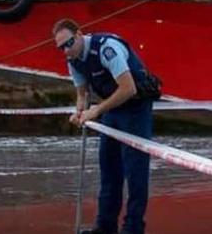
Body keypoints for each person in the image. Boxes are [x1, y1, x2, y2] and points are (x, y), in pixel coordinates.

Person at [53, 19, 157, 234]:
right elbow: (82, 94)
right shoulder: (74, 60)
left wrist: (97, 110)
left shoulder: (107, 48)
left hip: (135, 108)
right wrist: (80, 112)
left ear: (80, 35)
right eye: (61, 47)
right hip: (112, 109)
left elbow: (128, 88)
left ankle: (133, 228)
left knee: (135, 172)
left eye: (69, 43)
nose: (66, 50)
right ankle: (105, 226)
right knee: (109, 169)